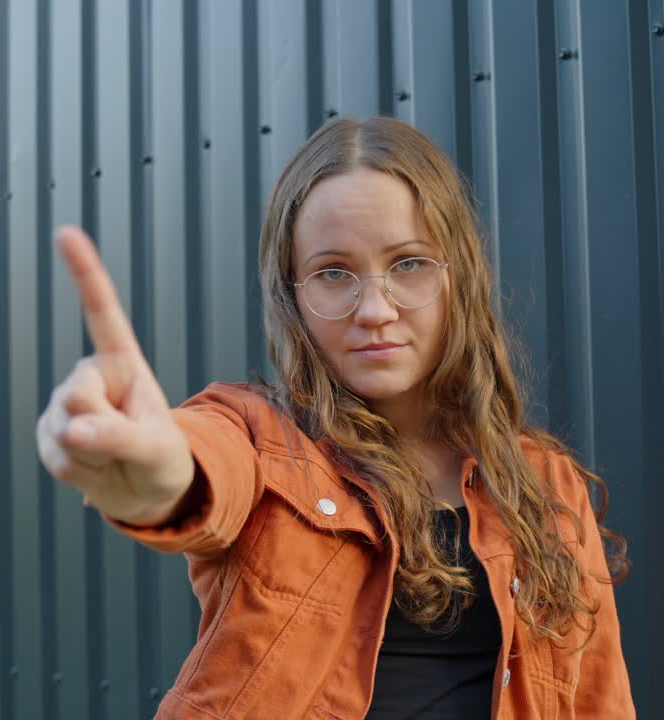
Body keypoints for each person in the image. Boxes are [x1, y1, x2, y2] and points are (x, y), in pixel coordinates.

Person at [36, 115, 634, 719]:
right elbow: (202, 467)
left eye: (408, 264)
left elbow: (598, 701)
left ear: (460, 277)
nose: (374, 308)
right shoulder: (259, 437)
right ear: (292, 294)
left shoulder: (546, 483)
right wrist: (163, 473)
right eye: (332, 273)